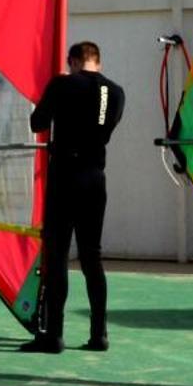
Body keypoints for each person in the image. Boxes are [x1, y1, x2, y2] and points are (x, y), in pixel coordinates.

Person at [26, 40, 126, 354]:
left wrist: (54, 93)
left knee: (57, 256)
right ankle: (100, 334)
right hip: (95, 179)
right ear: (98, 61)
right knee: (91, 257)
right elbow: (103, 130)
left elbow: (37, 123)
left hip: (65, 178)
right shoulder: (116, 92)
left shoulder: (62, 84)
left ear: (72, 61)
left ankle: (53, 334)